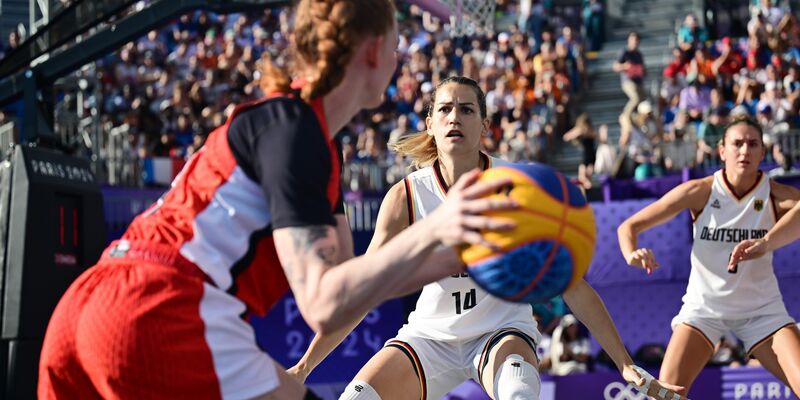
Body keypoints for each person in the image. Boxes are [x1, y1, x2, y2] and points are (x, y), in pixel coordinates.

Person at [37, 2, 519, 399]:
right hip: (159, 305)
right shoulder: (298, 132)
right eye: (396, 46)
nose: (399, 58)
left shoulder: (308, 139)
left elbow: (351, 288)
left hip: (87, 304)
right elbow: (325, 304)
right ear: (374, 52)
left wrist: (455, 254)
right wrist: (444, 230)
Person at [287, 76, 686, 400]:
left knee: (520, 394)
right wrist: (304, 366)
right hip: (430, 336)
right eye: (444, 109)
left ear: (485, 124)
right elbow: (363, 293)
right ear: (430, 123)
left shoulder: (520, 187)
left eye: (466, 109)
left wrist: (623, 362)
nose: (454, 117)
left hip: (500, 333)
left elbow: (572, 284)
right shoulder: (405, 197)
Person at [618, 115, 800, 397]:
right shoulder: (700, 191)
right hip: (704, 310)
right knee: (666, 395)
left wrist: (766, 243)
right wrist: (631, 253)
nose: (745, 150)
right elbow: (629, 226)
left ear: (763, 153)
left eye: (753, 144)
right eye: (737, 143)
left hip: (761, 311)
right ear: (722, 150)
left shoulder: (774, 194)